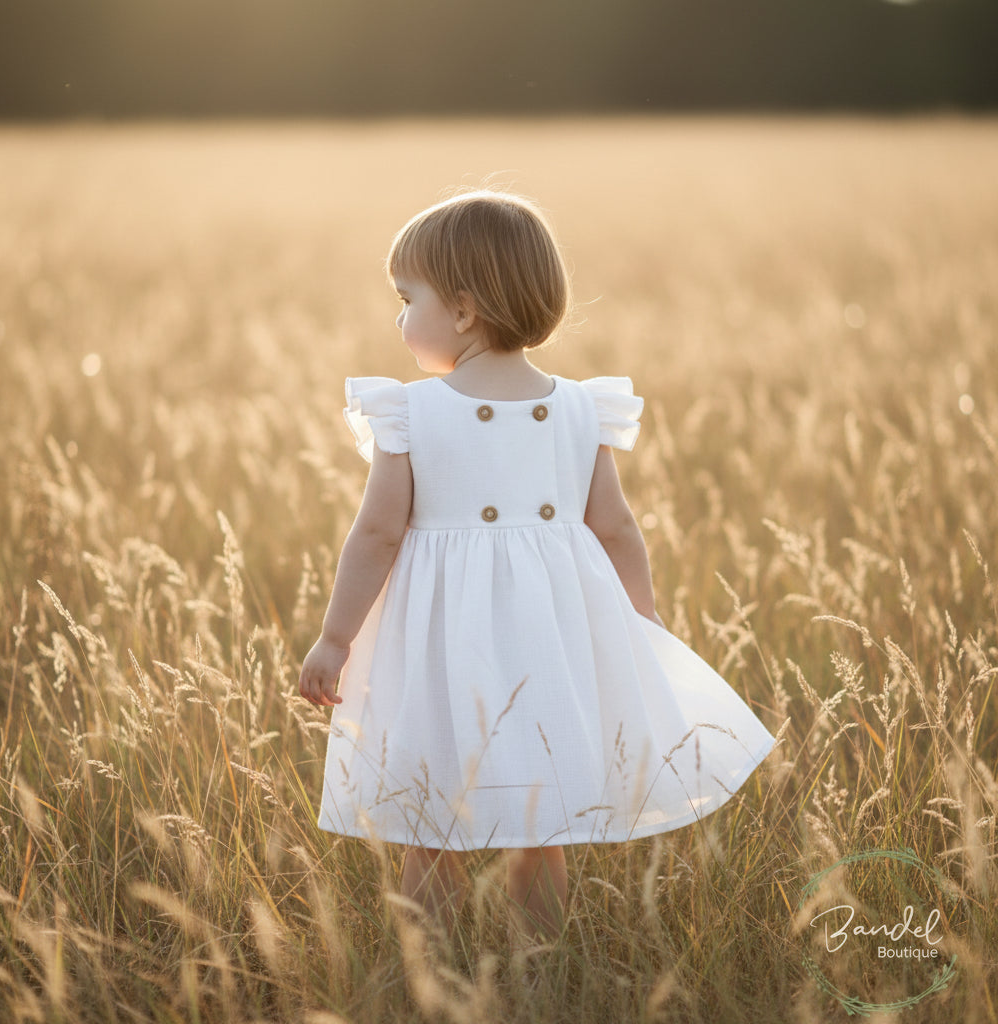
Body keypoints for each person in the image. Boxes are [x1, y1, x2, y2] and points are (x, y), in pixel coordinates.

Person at [299, 188, 776, 942]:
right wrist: (638, 619)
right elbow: (615, 527)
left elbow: (376, 536)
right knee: (540, 811)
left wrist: (336, 638)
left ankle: (432, 964)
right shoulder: (580, 410)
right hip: (549, 636)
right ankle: (543, 957)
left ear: (461, 312)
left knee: (430, 809)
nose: (398, 318)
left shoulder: (414, 414)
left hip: (439, 638)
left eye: (405, 298)